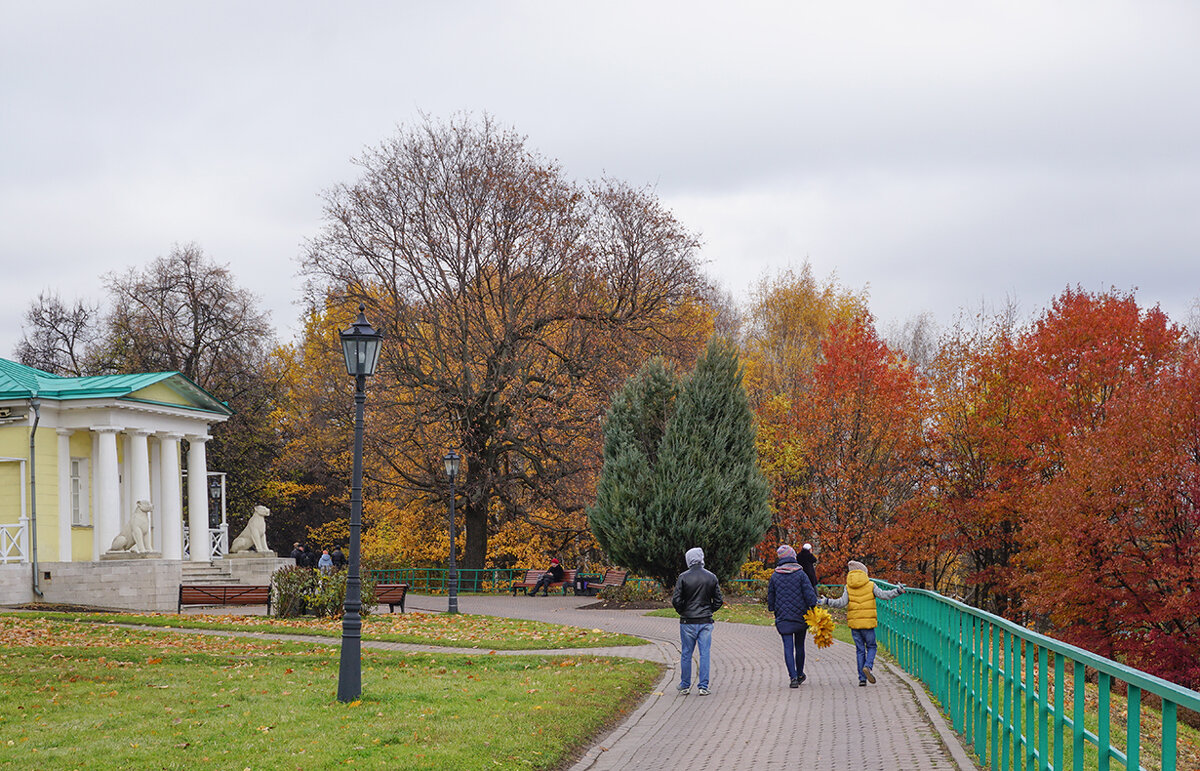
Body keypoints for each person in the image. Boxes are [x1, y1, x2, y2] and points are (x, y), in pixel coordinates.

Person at [822, 560, 905, 686]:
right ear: (864, 572)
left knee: (860, 650)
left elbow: (841, 603)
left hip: (855, 625)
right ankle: (868, 666)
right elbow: (883, 595)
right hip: (868, 624)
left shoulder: (848, 587)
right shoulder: (871, 585)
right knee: (872, 646)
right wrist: (897, 591)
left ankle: (862, 679)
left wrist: (827, 601)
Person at [671, 547, 723, 696]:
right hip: (705, 621)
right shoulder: (711, 577)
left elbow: (676, 599)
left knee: (686, 653)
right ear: (701, 558)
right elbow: (719, 600)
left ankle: (685, 684)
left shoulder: (683, 577)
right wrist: (709, 610)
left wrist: (682, 611)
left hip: (687, 621)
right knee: (704, 653)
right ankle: (703, 686)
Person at [766, 544, 820, 688]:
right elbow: (810, 596)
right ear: (793, 557)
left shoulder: (775, 575)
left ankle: (793, 678)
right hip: (800, 616)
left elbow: (771, 597)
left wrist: (773, 608)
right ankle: (800, 673)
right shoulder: (800, 574)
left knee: (788, 648)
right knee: (800, 646)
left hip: (783, 618)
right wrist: (814, 608)